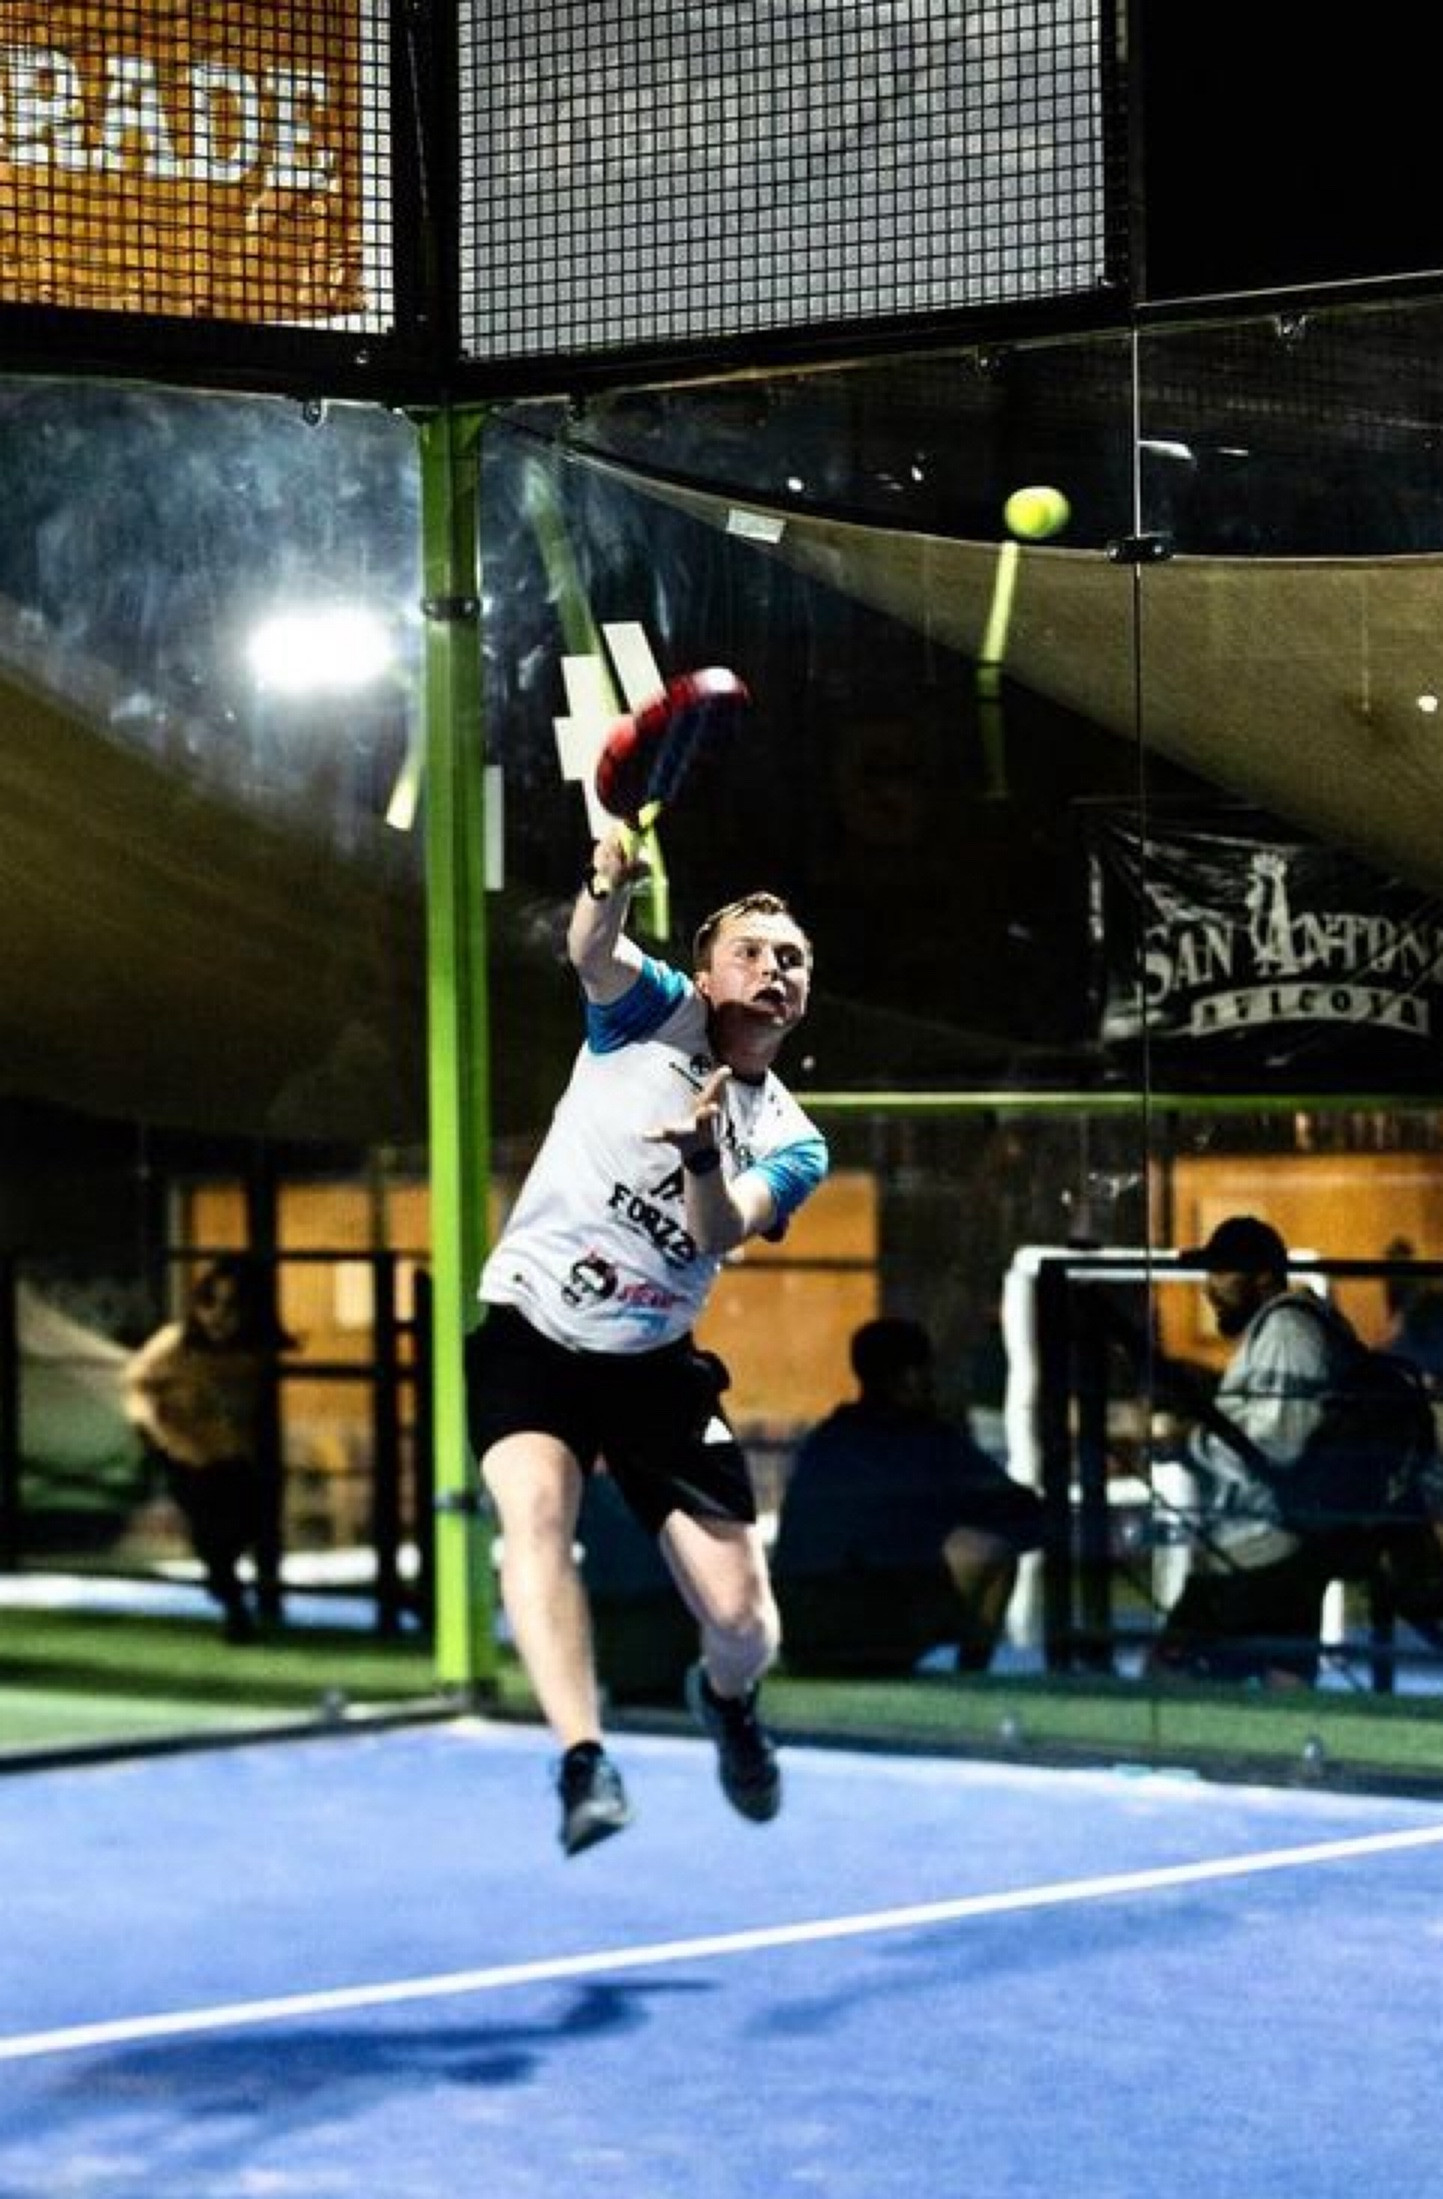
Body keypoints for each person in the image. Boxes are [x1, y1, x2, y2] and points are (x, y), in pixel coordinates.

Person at [466, 826, 828, 1856]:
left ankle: (729, 1702)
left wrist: (705, 1158)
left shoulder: (793, 1139)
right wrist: (604, 881)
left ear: (803, 997)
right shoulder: (653, 1011)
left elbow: (715, 1231)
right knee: (536, 1519)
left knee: (744, 1623)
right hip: (533, 1328)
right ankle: (584, 1762)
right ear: (707, 974)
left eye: (792, 959)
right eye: (750, 952)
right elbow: (591, 947)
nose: (773, 969)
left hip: (654, 1366)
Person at [1148, 1213, 1357, 1686]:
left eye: (1222, 1272)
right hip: (1277, 1548)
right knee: (1281, 1687)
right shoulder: (1295, 1326)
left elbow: (1275, 1443)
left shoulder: (1287, 1331)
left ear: (1262, 1275)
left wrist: (1186, 1444)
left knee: (1166, 1682)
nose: (1210, 1287)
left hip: (1258, 1550)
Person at [772, 1317, 1044, 1676]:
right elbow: (1026, 1515)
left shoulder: (826, 1439)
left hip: (800, 1634)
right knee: (987, 1549)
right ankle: (971, 1676)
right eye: (932, 1371)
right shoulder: (923, 1440)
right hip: (865, 1627)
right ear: (912, 1377)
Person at [124, 1256, 294, 1643]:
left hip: (235, 1453)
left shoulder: (254, 1350)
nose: (217, 1316)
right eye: (208, 1303)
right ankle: (233, 1603)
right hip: (185, 1451)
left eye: (231, 1307)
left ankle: (227, 1584)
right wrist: (153, 1427)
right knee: (211, 1529)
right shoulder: (177, 1341)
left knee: (247, 1525)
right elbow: (137, 1384)